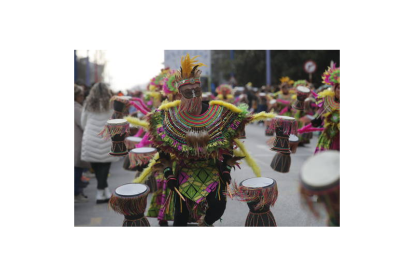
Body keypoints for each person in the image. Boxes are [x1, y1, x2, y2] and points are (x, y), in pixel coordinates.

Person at [129, 54, 255, 226]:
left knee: (218, 208)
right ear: (180, 94)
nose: (194, 95)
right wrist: (169, 174)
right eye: (189, 93)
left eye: (197, 91)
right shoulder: (168, 117)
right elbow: (163, 153)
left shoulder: (217, 113)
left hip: (212, 171)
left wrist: (225, 169)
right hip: (184, 173)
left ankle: (205, 222)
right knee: (180, 217)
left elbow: (227, 145)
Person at [81, 82, 120, 203]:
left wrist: (89, 130)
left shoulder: (88, 104)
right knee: (105, 165)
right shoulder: (111, 103)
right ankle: (101, 191)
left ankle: (103, 191)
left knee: (97, 165)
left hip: (91, 136)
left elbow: (83, 121)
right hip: (106, 137)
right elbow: (116, 119)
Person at [311, 64, 340, 153]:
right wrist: (317, 120)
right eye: (339, 88)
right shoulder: (327, 101)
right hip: (329, 137)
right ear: (334, 89)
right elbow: (318, 117)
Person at [74, 84, 89, 203]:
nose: (82, 97)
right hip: (76, 140)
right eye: (81, 95)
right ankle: (76, 193)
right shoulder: (76, 108)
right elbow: (83, 124)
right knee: (77, 168)